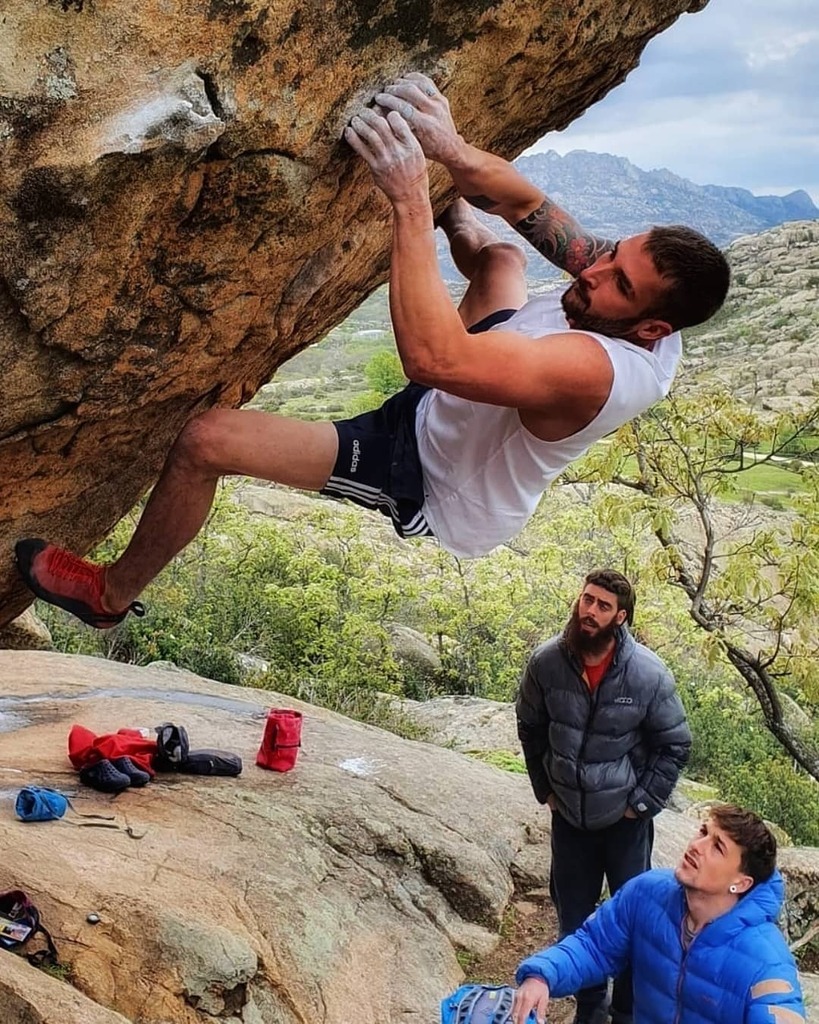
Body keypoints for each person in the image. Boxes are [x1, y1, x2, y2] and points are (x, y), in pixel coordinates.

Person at [15, 75, 730, 628]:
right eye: (608, 256)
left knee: (208, 439)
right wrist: (448, 153)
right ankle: (447, 205)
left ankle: (110, 594)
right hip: (462, 392)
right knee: (500, 261)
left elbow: (434, 361)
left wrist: (411, 199)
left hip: (429, 472)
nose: (591, 270)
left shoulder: (600, 371)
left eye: (616, 283)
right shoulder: (614, 288)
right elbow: (521, 203)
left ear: (650, 331)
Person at [516, 569, 691, 1024]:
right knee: (575, 922)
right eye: (587, 600)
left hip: (624, 824)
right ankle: (590, 1010)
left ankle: (626, 1013)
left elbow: (675, 743)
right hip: (569, 819)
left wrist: (641, 804)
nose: (590, 612)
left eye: (602, 606)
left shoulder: (648, 674)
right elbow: (530, 727)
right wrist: (546, 789)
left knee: (634, 924)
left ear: (621, 617)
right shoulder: (546, 662)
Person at [511, 804, 805, 1024]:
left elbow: (780, 1011)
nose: (696, 846)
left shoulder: (765, 961)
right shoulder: (648, 894)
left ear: (740, 882)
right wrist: (543, 975)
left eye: (717, 847)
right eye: (703, 832)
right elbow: (594, 946)